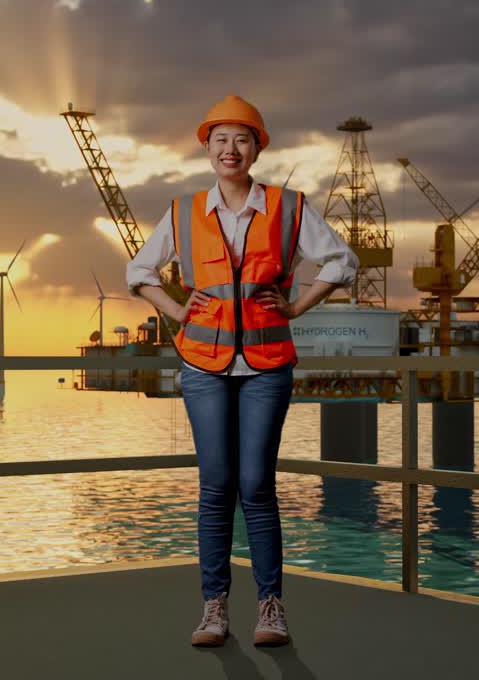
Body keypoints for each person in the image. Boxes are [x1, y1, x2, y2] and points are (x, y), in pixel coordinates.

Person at [126, 95, 358, 647]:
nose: (231, 150)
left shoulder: (288, 207)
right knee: (215, 487)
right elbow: (139, 270)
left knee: (256, 485)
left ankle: (271, 607)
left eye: (243, 139)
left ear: (257, 148)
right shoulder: (183, 212)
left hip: (266, 364)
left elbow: (342, 261)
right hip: (203, 364)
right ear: (207, 148)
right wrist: (179, 311)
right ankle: (214, 607)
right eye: (221, 140)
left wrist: (299, 307)